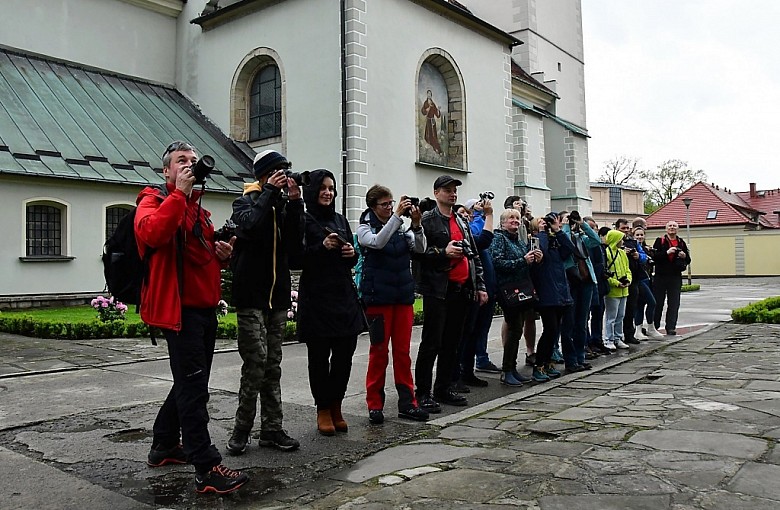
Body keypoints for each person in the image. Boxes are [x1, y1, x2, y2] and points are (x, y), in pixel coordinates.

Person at [136, 141, 248, 494]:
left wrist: (222, 255)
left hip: (203, 310)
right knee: (194, 390)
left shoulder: (198, 211)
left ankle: (165, 445)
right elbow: (153, 233)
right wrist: (179, 194)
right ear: (166, 171)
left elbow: (199, 260)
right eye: (181, 161)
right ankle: (206, 467)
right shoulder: (153, 201)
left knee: (190, 383)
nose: (189, 166)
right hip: (179, 313)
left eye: (194, 161)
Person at [226, 150, 303, 456]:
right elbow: (251, 227)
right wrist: (269, 192)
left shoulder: (283, 205)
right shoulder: (244, 202)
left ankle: (272, 429)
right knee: (255, 364)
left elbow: (296, 249)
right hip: (250, 298)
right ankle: (241, 429)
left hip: (278, 298)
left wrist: (296, 203)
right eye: (278, 172)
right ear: (265, 174)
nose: (283, 177)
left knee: (273, 366)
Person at [298, 169, 365, 435]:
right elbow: (297, 258)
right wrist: (321, 247)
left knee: (343, 357)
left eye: (332, 188)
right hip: (317, 298)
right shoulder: (303, 219)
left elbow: (353, 258)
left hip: (342, 297)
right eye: (323, 188)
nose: (328, 192)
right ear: (313, 191)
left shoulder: (339, 219)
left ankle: (337, 405)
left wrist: (350, 252)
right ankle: (322, 408)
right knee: (318, 358)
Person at [414, 175, 488, 411]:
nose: (452, 193)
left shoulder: (461, 220)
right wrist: (442, 251)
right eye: (447, 190)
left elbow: (474, 255)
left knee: (452, 343)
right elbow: (418, 252)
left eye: (454, 190)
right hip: (438, 290)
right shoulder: (428, 219)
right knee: (432, 343)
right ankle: (423, 392)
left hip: (461, 289)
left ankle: (444, 387)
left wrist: (480, 286)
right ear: (436, 193)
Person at [357, 185, 429, 425]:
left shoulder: (400, 228)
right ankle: (374, 404)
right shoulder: (364, 227)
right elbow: (377, 243)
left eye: (391, 204)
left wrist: (417, 224)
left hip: (402, 298)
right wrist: (397, 216)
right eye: (385, 205)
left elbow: (420, 249)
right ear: (373, 206)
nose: (389, 208)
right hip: (378, 299)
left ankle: (408, 403)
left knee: (402, 353)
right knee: (379, 353)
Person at [489, 208, 542, 386]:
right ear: (502, 222)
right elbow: (496, 262)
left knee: (518, 329)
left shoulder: (519, 241)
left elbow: (526, 263)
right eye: (511, 218)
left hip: (521, 288)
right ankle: (506, 370)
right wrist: (522, 261)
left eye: (517, 218)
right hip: (507, 289)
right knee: (513, 329)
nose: (515, 221)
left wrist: (535, 259)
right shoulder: (499, 238)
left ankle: (512, 368)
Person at [454, 197, 498, 390]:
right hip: (469, 291)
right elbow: (480, 239)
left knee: (477, 333)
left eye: (469, 213)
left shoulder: (473, 226)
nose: (468, 216)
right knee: (465, 334)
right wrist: (484, 215)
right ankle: (458, 374)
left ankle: (468, 371)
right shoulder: (468, 230)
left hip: (484, 290)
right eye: (464, 213)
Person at [529, 212, 575, 382]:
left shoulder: (555, 241)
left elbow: (569, 249)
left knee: (554, 331)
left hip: (560, 292)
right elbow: (541, 254)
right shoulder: (536, 241)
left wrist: (558, 231)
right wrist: (542, 232)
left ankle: (547, 362)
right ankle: (539, 365)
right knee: (550, 330)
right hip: (547, 293)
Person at [559, 211, 602, 373]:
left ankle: (580, 357)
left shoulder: (582, 238)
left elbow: (596, 240)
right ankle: (570, 360)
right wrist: (565, 226)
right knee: (569, 323)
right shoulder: (562, 236)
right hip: (570, 282)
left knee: (582, 323)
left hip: (586, 282)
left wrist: (582, 223)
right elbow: (565, 244)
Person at [651, 220, 691, 336]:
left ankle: (671, 327)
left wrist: (684, 256)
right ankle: (655, 326)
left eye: (674, 226)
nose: (672, 228)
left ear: (677, 229)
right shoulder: (660, 241)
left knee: (674, 303)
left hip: (675, 277)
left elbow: (688, 260)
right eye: (670, 226)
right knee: (658, 302)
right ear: (666, 229)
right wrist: (667, 252)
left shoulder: (681, 242)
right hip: (660, 276)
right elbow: (654, 257)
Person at [615, 218, 646, 345]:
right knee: (617, 312)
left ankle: (629, 334)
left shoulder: (633, 242)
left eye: (627, 228)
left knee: (631, 308)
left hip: (633, 279)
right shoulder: (613, 241)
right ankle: (616, 336)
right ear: (617, 228)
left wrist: (638, 256)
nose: (626, 231)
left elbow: (644, 256)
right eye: (623, 228)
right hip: (618, 280)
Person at [632, 226, 663, 339]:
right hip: (639, 279)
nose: (640, 237)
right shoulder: (633, 247)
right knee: (650, 302)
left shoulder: (646, 248)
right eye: (637, 235)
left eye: (641, 235)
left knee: (643, 304)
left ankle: (646, 328)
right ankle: (643, 328)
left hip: (648, 278)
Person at [603, 229, 632, 350]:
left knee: (621, 315)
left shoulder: (622, 253)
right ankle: (608, 339)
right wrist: (615, 283)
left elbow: (627, 269)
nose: (622, 241)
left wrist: (628, 280)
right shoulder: (607, 253)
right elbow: (605, 273)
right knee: (611, 316)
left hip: (623, 290)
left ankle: (618, 338)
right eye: (620, 238)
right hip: (612, 291)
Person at [420, 89, 443, 155]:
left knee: (434, 135)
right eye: (428, 94)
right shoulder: (426, 103)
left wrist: (438, 110)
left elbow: (437, 114)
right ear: (427, 95)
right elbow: (423, 111)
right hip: (428, 121)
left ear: (431, 95)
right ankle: (432, 147)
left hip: (433, 121)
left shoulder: (433, 104)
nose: (429, 95)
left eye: (430, 94)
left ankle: (438, 150)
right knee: (429, 135)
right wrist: (428, 108)